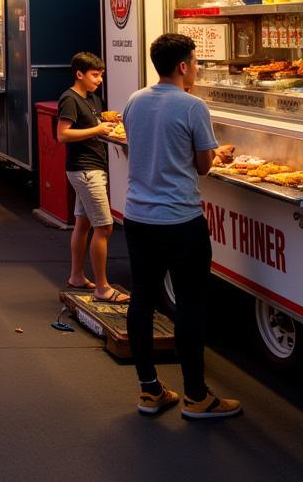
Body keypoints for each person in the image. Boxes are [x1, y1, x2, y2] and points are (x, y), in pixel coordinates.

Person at [122, 33, 240, 419]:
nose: (198, 68)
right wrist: (214, 153)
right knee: (190, 304)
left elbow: (139, 146)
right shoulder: (192, 106)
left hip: (138, 217)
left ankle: (150, 391)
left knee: (142, 300)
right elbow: (203, 165)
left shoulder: (135, 100)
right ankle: (196, 396)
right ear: (184, 66)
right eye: (196, 61)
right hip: (180, 220)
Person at [56, 52, 123, 298]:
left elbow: (92, 127)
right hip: (85, 169)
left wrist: (107, 124)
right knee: (104, 227)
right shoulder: (69, 99)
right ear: (79, 74)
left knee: (83, 223)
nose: (99, 80)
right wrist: (98, 128)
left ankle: (76, 276)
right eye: (95, 75)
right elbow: (62, 135)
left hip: (93, 166)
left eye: (101, 75)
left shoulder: (93, 98)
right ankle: (103, 287)